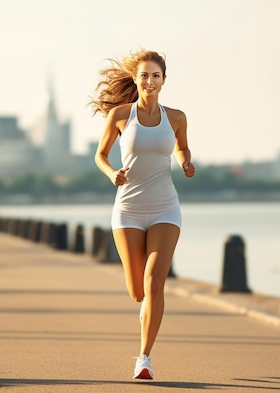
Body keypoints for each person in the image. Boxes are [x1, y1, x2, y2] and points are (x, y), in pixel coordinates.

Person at [89, 49, 195, 380]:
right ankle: (145, 313)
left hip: (166, 207)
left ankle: (144, 358)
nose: (150, 81)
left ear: (164, 80)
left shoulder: (176, 117)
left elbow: (182, 147)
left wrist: (186, 162)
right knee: (137, 291)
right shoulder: (121, 114)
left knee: (154, 284)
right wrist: (111, 175)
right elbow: (100, 155)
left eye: (156, 75)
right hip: (128, 210)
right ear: (136, 79)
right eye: (145, 75)